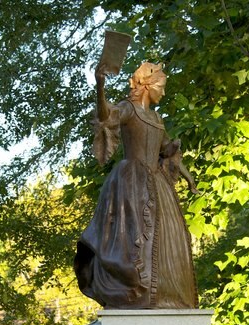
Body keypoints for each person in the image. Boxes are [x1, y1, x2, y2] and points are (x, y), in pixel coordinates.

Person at [74, 61, 198, 309]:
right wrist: (100, 85)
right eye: (160, 86)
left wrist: (188, 177)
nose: (163, 92)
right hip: (131, 183)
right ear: (146, 86)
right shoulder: (128, 109)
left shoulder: (156, 118)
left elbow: (166, 151)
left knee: (166, 239)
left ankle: (167, 295)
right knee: (134, 239)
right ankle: (136, 290)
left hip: (158, 184)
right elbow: (106, 116)